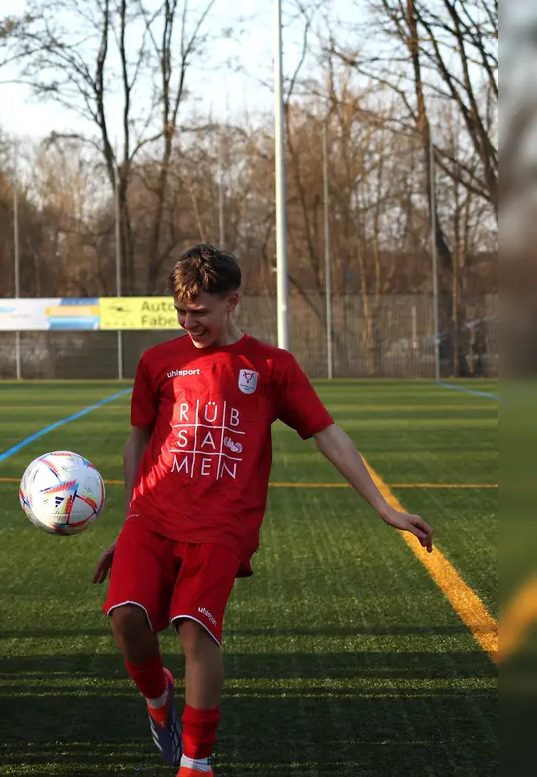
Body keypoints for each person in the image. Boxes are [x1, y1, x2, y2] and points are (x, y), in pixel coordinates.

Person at [93, 243, 435, 777]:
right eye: (181, 311)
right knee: (126, 619)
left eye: (200, 310)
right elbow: (137, 440)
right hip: (152, 516)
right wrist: (130, 517)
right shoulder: (157, 362)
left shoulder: (273, 367)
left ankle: (196, 763)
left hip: (221, 526)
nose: (189, 322)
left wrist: (383, 506)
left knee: (194, 632)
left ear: (233, 301)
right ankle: (158, 696)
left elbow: (329, 435)